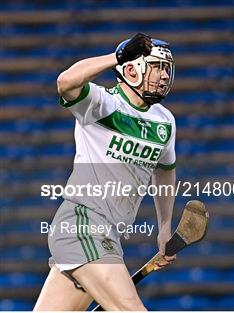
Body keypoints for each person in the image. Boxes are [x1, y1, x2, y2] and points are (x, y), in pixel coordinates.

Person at [34, 33, 177, 311]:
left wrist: (164, 228)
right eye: (157, 67)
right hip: (83, 225)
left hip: (108, 235)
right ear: (131, 70)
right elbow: (65, 82)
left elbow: (165, 171)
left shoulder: (165, 121)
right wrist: (117, 56)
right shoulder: (101, 103)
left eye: (166, 69)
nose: (163, 76)